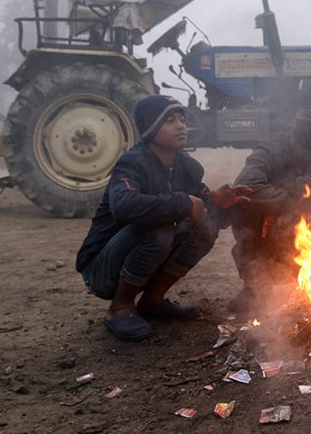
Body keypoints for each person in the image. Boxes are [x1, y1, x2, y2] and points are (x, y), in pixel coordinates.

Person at [75, 95, 251, 341]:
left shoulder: (186, 167)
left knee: (206, 229)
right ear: (150, 128)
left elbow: (211, 218)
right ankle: (120, 308)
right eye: (170, 120)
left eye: (181, 119)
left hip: (139, 256)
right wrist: (183, 202)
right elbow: (123, 206)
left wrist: (218, 203)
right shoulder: (132, 163)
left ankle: (152, 301)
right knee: (159, 229)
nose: (181, 125)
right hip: (102, 271)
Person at [225, 87, 311, 312]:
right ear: (294, 117)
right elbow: (248, 184)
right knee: (242, 206)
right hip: (268, 229)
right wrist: (290, 203)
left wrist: (288, 201)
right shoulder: (270, 148)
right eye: (307, 115)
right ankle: (255, 286)